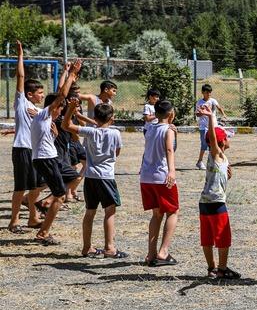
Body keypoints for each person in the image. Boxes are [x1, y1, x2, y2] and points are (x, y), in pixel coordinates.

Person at [63, 97, 125, 258]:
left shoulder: (90, 132)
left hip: (90, 177)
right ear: (112, 118)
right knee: (109, 212)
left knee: (90, 212)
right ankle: (110, 248)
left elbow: (66, 125)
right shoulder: (116, 133)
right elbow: (116, 153)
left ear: (95, 118)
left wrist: (71, 109)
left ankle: (87, 247)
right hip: (106, 177)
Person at [28, 60, 82, 245]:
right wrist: (72, 74)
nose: (61, 111)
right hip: (46, 160)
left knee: (71, 175)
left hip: (48, 159)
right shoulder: (45, 114)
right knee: (59, 196)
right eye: (60, 107)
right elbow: (62, 94)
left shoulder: (45, 121)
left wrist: (55, 134)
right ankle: (43, 233)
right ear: (54, 106)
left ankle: (42, 204)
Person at [196, 106, 238, 279]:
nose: (229, 139)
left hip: (205, 202)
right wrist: (209, 117)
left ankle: (211, 268)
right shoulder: (217, 153)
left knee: (207, 236)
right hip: (216, 202)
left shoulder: (221, 158)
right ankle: (222, 268)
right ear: (221, 142)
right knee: (222, 237)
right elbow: (212, 138)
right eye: (227, 137)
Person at [8, 41, 45, 233]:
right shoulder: (21, 103)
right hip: (22, 149)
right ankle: (14, 221)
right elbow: (21, 76)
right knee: (20, 188)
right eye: (39, 93)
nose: (42, 95)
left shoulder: (38, 111)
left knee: (35, 187)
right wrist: (20, 55)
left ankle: (32, 218)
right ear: (29, 94)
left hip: (35, 152)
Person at [140, 98, 179, 266]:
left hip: (147, 176)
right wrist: (171, 170)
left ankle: (151, 253)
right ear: (171, 115)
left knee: (156, 214)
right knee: (173, 212)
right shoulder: (167, 130)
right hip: (162, 176)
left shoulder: (149, 128)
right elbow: (170, 149)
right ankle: (163, 252)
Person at [193, 84, 225, 170]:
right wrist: (203, 113)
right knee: (204, 144)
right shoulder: (199, 103)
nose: (209, 94)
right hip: (203, 127)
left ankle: (215, 160)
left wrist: (224, 114)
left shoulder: (213, 101)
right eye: (207, 92)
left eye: (210, 92)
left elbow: (219, 107)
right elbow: (197, 114)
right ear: (203, 92)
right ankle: (199, 161)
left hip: (213, 125)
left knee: (215, 143)